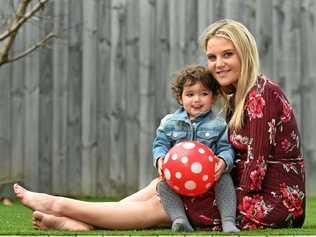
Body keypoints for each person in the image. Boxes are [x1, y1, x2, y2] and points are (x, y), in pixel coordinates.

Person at [14, 18, 305, 231]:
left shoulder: (262, 94)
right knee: (162, 184)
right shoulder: (236, 97)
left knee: (165, 202)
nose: (218, 64)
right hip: (246, 190)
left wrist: (207, 177)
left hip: (271, 202)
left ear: (246, 54)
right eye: (212, 57)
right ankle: (82, 222)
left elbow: (253, 174)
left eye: (227, 54)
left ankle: (60, 206)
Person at [152, 64, 239, 232]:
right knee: (162, 185)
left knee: (225, 179)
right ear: (180, 98)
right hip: (178, 177)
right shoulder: (169, 123)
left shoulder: (219, 124)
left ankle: (228, 221)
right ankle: (179, 220)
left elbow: (226, 148)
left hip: (208, 178)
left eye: (204, 94)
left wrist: (223, 161)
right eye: (190, 94)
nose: (197, 100)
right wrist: (160, 159)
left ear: (213, 97)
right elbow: (160, 144)